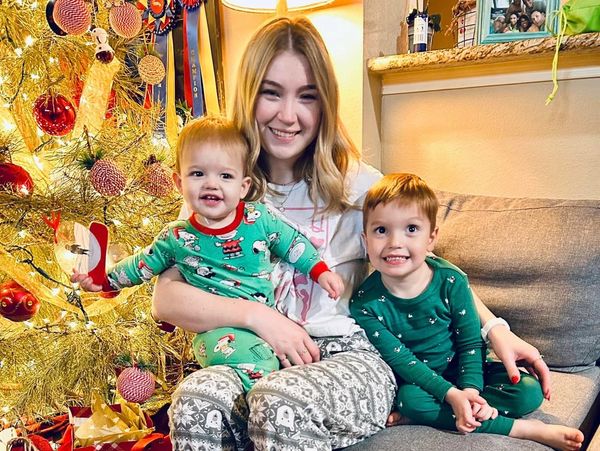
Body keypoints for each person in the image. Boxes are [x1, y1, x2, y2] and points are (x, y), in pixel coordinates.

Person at [152, 16, 552, 451]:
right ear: (249, 96)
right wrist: (261, 318)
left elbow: (426, 264)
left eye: (307, 96)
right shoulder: (223, 188)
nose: (288, 115)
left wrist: (495, 328)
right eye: (271, 93)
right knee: (196, 399)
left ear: (325, 104)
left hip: (350, 354)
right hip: (253, 352)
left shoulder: (358, 185)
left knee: (279, 401)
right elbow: (167, 299)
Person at [72, 114, 344, 392]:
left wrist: (320, 271)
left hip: (268, 325)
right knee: (256, 364)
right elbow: (140, 265)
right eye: (198, 174)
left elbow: (293, 243)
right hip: (217, 334)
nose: (211, 184)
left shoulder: (259, 219)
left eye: (225, 175)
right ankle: (258, 404)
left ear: (243, 186)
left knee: (287, 364)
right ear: (179, 183)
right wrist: (104, 281)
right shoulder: (176, 238)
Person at [350, 173, 584, 450]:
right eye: (381, 231)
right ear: (366, 240)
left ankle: (445, 413)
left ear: (431, 238)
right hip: (421, 383)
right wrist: (451, 395)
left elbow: (471, 343)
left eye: (411, 229)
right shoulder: (364, 304)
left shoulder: (452, 280)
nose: (394, 242)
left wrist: (470, 392)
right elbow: (404, 363)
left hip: (466, 369)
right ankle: (522, 429)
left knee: (528, 392)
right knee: (411, 400)